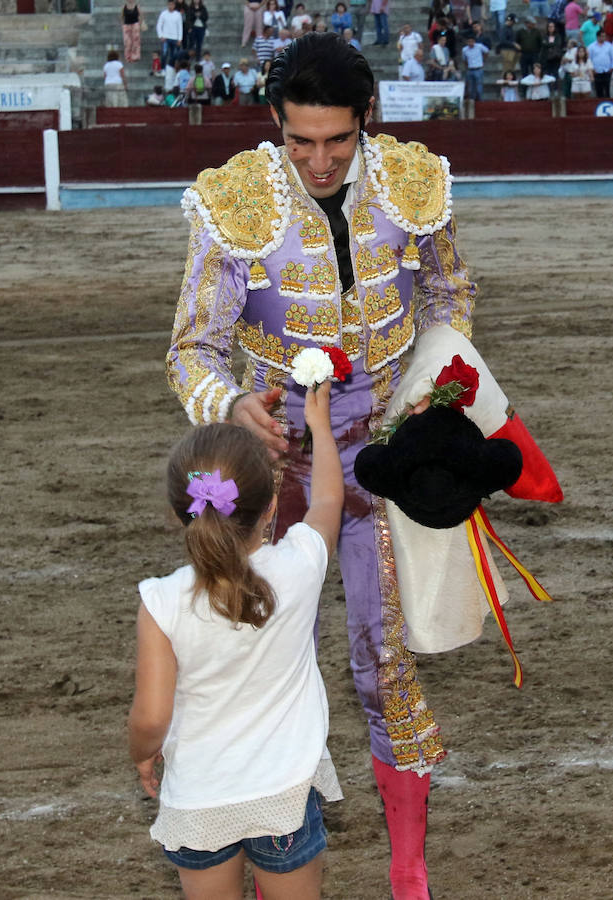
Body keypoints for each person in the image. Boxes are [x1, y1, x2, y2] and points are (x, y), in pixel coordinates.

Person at [167, 32, 477, 899]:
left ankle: (407, 867)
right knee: (268, 653)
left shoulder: (412, 185)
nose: (318, 159)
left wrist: (432, 397)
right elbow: (193, 349)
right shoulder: (236, 201)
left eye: (337, 140)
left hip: (384, 446)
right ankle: (276, 853)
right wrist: (232, 407)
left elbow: (451, 294)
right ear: (276, 124)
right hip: (278, 460)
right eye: (299, 140)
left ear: (364, 121)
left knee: (385, 654)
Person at [128, 388, 344, 899]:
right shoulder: (299, 568)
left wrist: (143, 753)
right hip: (283, 798)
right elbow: (330, 500)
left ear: (178, 513)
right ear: (271, 508)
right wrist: (320, 426)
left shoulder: (161, 602)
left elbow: (151, 717)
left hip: (200, 800)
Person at [156, 0, 183, 73]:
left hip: (175, 38)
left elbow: (180, 27)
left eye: (172, 5)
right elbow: (159, 25)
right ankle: (163, 69)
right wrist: (161, 36)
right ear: (167, 5)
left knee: (174, 55)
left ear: (174, 5)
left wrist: (180, 39)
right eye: (169, 5)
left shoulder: (178, 14)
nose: (170, 6)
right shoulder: (163, 14)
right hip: (166, 38)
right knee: (164, 54)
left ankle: (173, 69)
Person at [462, 34, 489, 100]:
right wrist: (467, 67)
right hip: (470, 69)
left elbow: (487, 51)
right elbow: (464, 59)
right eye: (469, 42)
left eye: (472, 41)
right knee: (471, 88)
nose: (470, 43)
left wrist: (483, 60)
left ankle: (480, 100)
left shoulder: (479, 46)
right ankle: (472, 101)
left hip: (478, 69)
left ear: (474, 41)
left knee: (479, 87)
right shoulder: (464, 49)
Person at [588, 27, 613, 96]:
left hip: (607, 71)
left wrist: (611, 68)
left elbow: (612, 57)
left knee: (607, 90)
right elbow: (589, 59)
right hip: (596, 72)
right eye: (602, 36)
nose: (603, 38)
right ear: (597, 37)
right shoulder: (591, 47)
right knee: (599, 90)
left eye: (604, 36)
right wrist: (592, 69)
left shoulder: (609, 46)